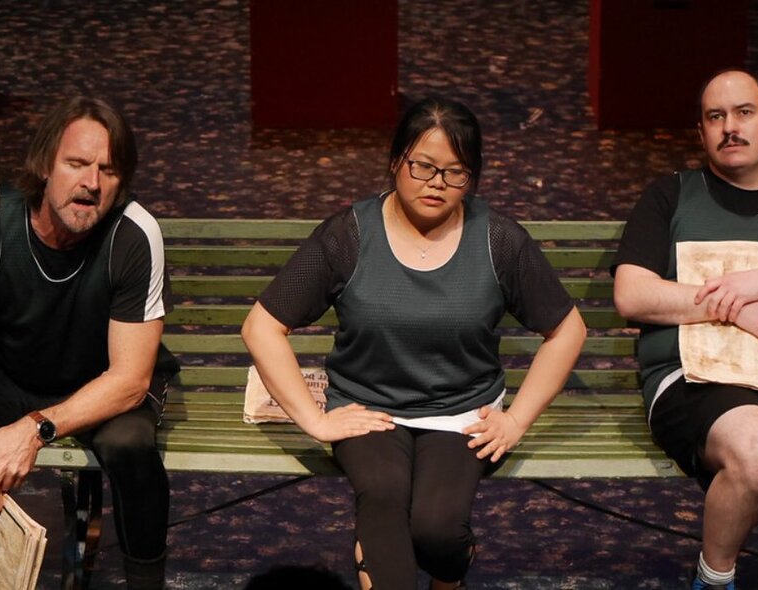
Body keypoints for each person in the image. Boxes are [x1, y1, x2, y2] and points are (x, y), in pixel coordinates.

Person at [242, 97, 586, 590]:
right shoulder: (350, 234)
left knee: (437, 532)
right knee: (383, 503)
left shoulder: (498, 240)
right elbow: (262, 325)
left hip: (461, 410)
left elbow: (566, 329)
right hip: (370, 408)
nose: (436, 184)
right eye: (422, 167)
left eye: (455, 172)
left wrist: (516, 420)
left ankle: (450, 571)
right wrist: (315, 419)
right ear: (395, 162)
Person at [0, 96, 179, 589]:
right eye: (77, 164)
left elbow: (130, 379)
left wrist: (34, 430)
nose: (92, 184)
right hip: (10, 374)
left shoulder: (135, 235)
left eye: (108, 171)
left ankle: (146, 581)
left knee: (130, 444)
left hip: (104, 382)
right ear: (45, 165)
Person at [613, 68, 758, 590]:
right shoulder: (671, 196)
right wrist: (735, 306)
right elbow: (633, 294)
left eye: (744, 113)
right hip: (695, 381)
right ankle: (713, 579)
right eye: (716, 117)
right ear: (702, 131)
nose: (729, 127)